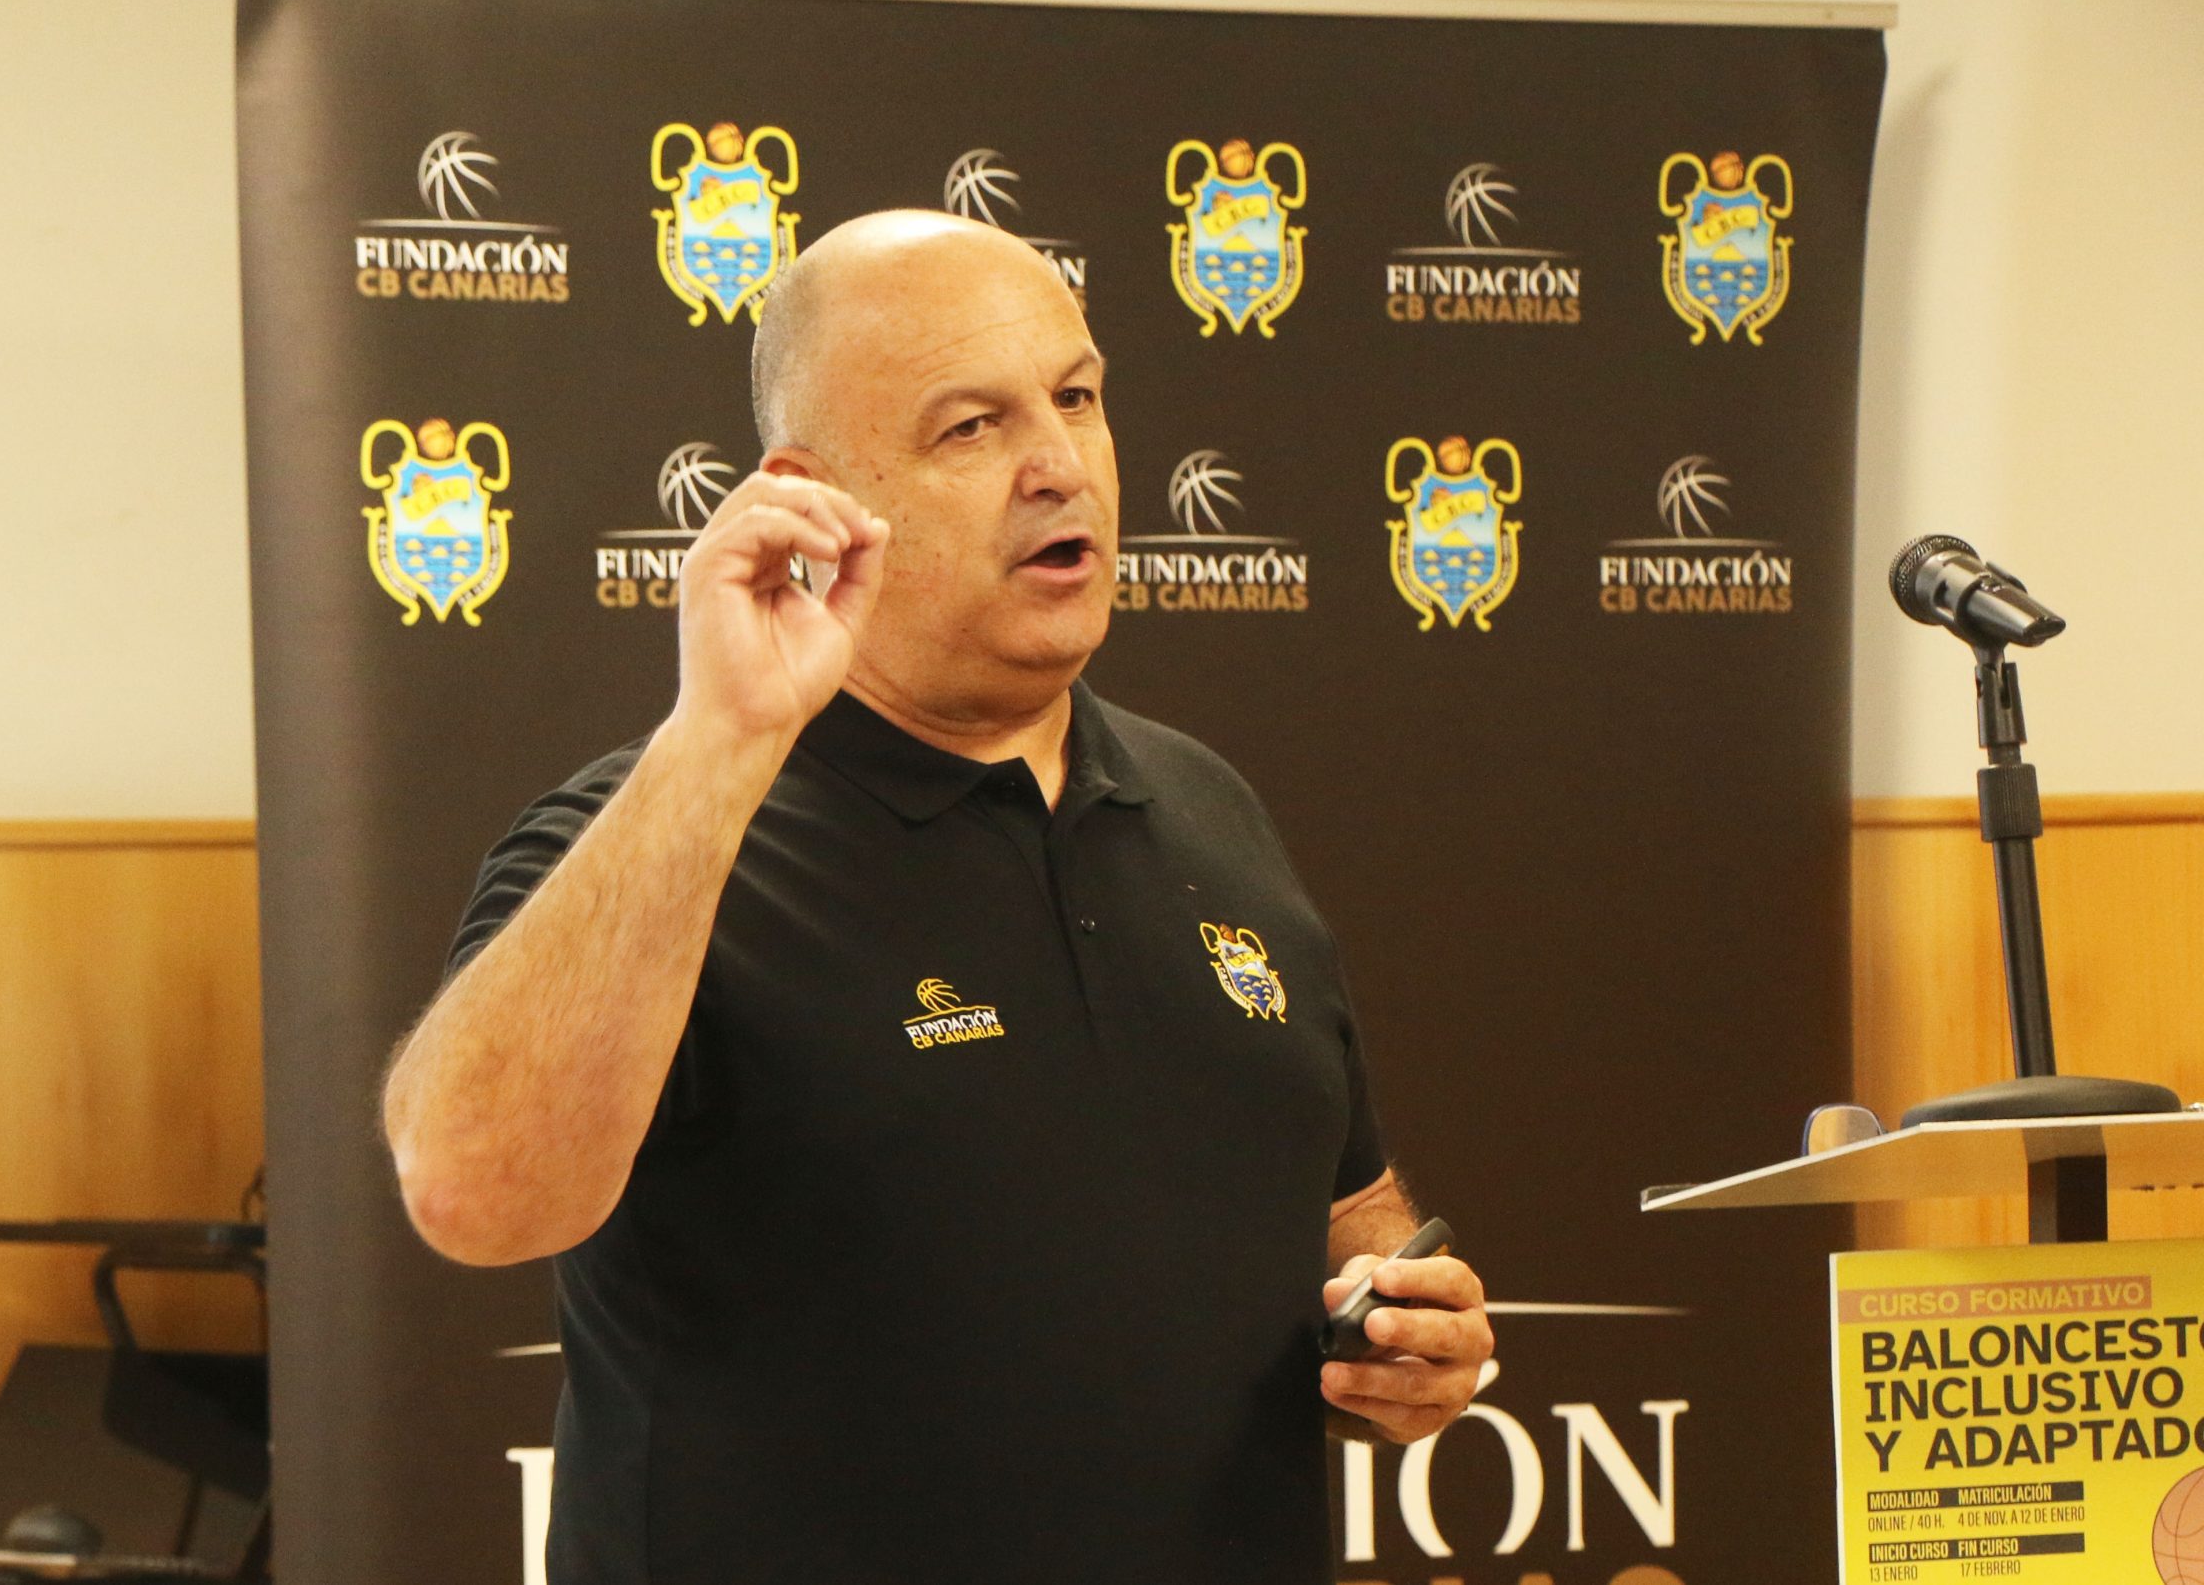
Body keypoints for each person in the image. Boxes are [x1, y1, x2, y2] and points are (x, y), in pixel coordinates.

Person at [382, 209, 1493, 1584]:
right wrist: (717, 741)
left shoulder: (1209, 804)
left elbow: (1346, 1202)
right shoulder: (660, 834)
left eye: (1076, 399)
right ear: (809, 500)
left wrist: (1398, 1321)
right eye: (971, 427)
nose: (1058, 465)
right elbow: (473, 1191)